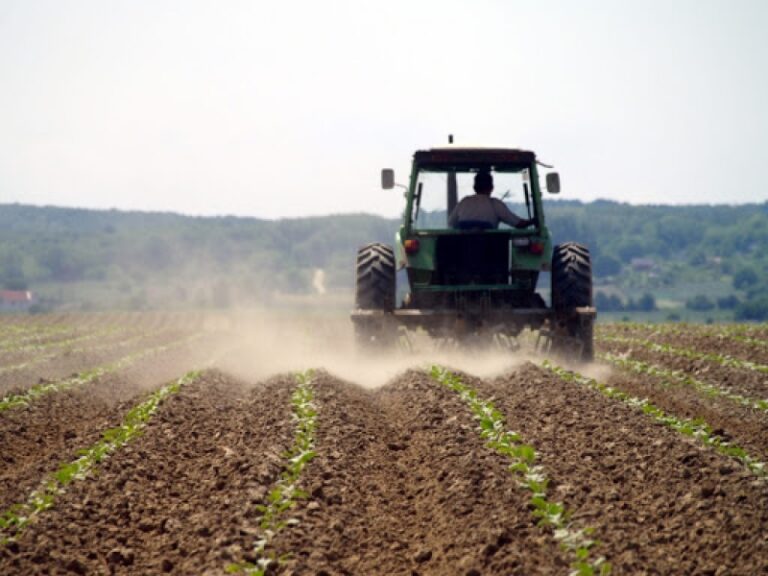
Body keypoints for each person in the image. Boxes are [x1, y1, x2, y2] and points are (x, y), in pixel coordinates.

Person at [448, 171, 533, 229]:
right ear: (491, 188)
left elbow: (451, 223)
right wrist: (534, 221)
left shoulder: (464, 202)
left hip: (463, 248)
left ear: (474, 187)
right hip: (490, 248)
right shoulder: (496, 204)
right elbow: (518, 224)